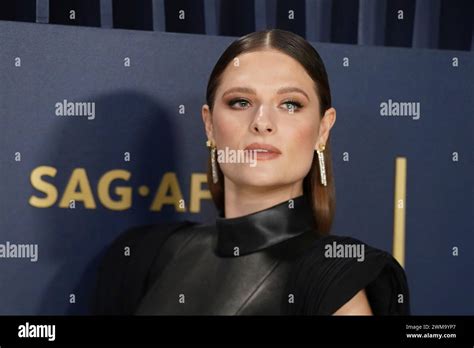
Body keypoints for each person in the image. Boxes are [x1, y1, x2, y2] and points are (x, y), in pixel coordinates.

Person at [91, 29, 410, 315]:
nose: (262, 121)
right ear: (209, 124)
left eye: (290, 104)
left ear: (322, 131)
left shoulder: (335, 276)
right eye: (241, 101)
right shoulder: (140, 255)